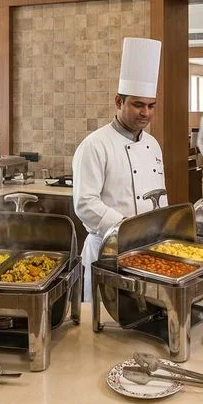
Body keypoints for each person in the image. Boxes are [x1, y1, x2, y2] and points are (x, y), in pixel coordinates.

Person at [73, 37, 166, 301]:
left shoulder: (153, 145)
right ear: (118, 101)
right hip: (107, 251)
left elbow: (160, 196)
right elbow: (85, 204)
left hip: (146, 250)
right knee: (104, 329)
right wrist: (125, 228)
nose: (145, 112)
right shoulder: (95, 145)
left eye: (151, 106)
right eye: (138, 104)